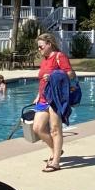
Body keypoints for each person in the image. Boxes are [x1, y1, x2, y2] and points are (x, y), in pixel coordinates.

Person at [32, 33, 74, 172]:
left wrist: (53, 76)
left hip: (56, 98)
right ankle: (56, 150)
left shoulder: (59, 56)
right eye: (38, 47)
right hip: (44, 98)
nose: (39, 50)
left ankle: (55, 161)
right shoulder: (44, 59)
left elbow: (70, 74)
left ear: (49, 44)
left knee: (55, 129)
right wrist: (38, 94)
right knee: (37, 128)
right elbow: (42, 80)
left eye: (41, 47)